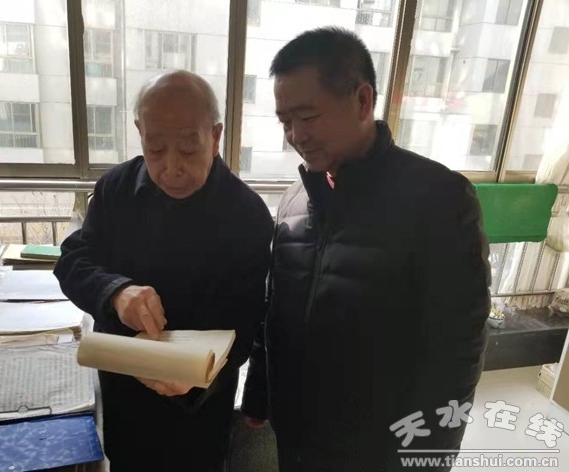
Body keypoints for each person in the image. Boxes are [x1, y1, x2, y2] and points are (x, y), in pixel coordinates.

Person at [241, 27, 490, 472]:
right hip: (296, 435)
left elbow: (456, 353)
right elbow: (275, 312)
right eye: (285, 121)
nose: (295, 135)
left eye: (308, 116)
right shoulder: (295, 199)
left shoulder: (438, 199)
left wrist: (426, 457)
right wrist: (259, 394)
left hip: (381, 448)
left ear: (362, 100)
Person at [54, 70, 274, 472]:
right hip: (125, 399)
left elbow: (248, 322)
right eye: (155, 147)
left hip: (201, 410)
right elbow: (73, 260)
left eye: (189, 148)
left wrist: (199, 373)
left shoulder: (247, 215)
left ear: (216, 136)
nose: (172, 167)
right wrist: (115, 292)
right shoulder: (116, 189)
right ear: (140, 132)